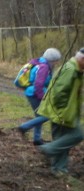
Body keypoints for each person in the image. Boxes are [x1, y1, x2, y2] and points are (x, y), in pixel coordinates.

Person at [35, 47, 84, 176]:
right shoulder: (71, 70)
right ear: (82, 59)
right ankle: (48, 149)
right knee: (77, 134)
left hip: (65, 112)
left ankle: (59, 169)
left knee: (62, 139)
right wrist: (62, 111)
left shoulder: (76, 69)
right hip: (61, 112)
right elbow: (58, 92)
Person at [16, 47, 63, 146]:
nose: (56, 63)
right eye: (56, 61)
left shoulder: (39, 63)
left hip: (32, 93)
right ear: (52, 60)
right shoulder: (44, 67)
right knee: (47, 115)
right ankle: (23, 127)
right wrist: (43, 98)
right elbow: (38, 84)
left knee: (39, 116)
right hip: (35, 94)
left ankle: (37, 139)